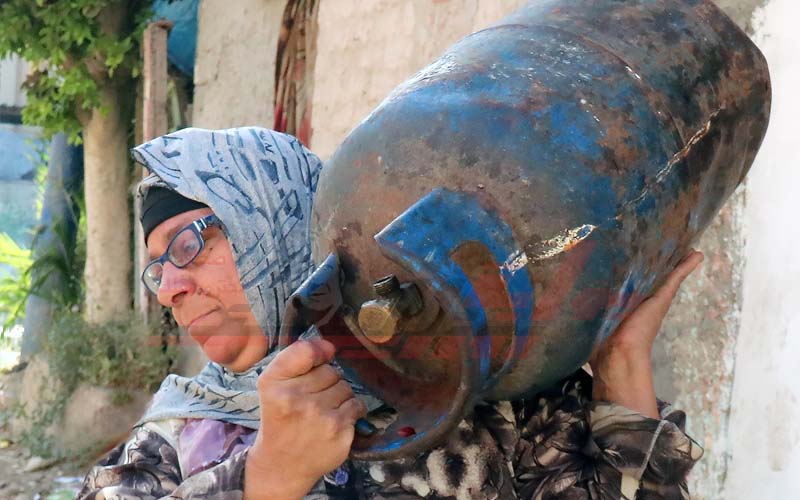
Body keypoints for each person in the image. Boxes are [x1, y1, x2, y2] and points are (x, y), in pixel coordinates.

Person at [77, 126, 703, 500]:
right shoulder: (165, 447)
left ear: (275, 225)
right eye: (156, 269)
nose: (169, 289)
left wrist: (621, 365)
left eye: (187, 246)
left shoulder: (468, 387)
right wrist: (266, 478)